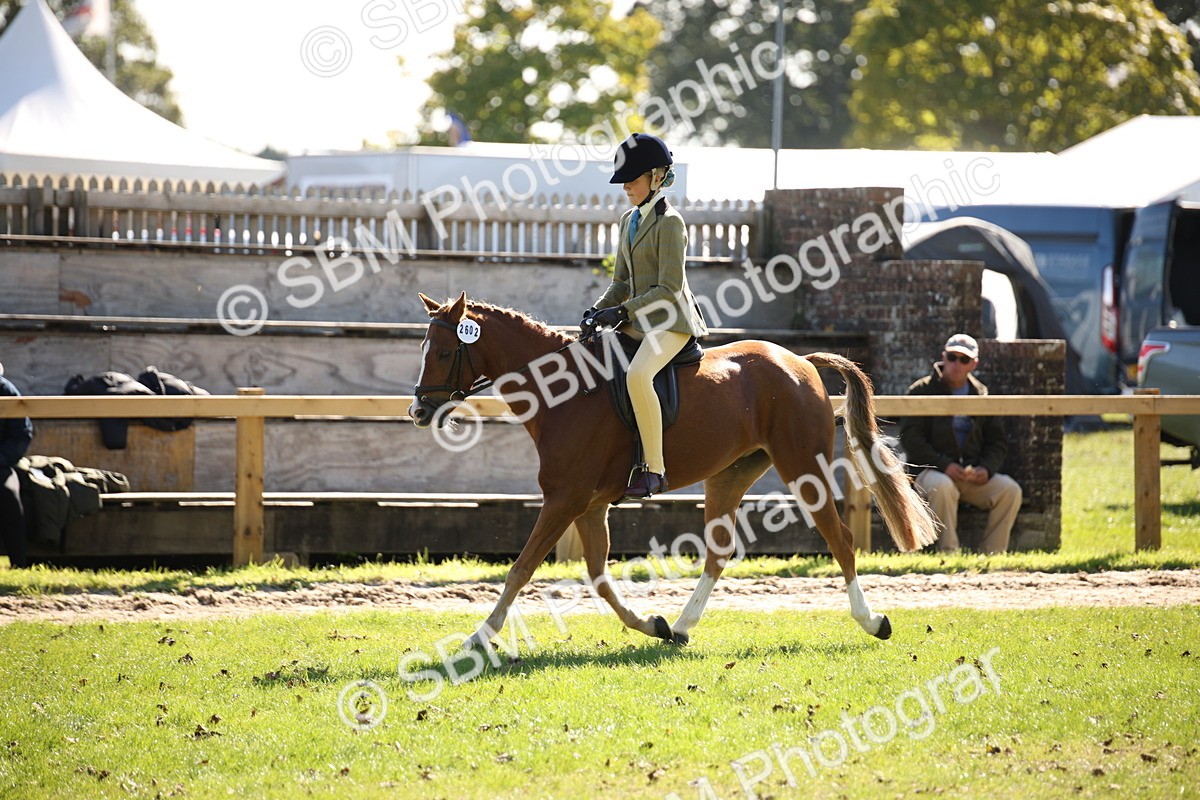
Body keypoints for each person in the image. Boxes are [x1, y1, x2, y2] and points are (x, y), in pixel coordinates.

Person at [582, 133, 708, 498]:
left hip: (671, 322)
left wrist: (621, 311)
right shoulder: (627, 220)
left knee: (638, 376)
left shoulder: (671, 224)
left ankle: (654, 469)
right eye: (623, 181)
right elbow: (621, 280)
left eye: (632, 181)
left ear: (656, 178)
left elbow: (668, 289)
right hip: (638, 321)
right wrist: (598, 309)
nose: (625, 188)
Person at [899, 334, 1022, 554]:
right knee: (944, 486)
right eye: (952, 357)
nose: (956, 364)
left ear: (974, 364)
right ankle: (949, 554)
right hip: (930, 472)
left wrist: (986, 468)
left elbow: (997, 442)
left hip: (970, 475)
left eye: (964, 360)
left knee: (1010, 491)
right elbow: (911, 439)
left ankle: (993, 556)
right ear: (943, 357)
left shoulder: (981, 395)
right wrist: (945, 465)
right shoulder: (921, 390)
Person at [0, 361, 33, 568]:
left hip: (0, 465)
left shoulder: (6, 391)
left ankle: (18, 563)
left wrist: (1, 459)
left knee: (8, 495)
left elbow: (21, 434)